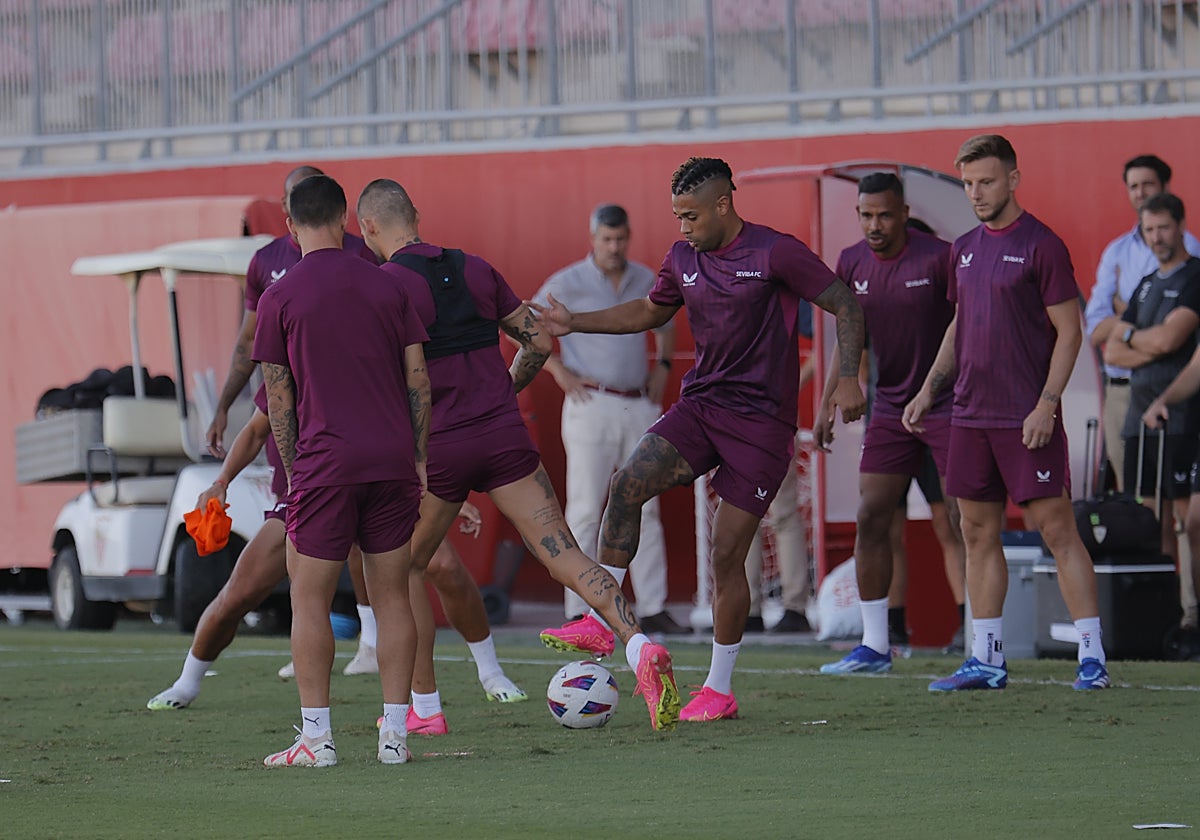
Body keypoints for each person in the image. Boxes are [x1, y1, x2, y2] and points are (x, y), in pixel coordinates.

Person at [535, 156, 866, 721]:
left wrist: (849, 377)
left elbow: (846, 304)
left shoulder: (775, 251)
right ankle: (598, 623)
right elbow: (648, 309)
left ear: (722, 204)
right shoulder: (681, 257)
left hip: (762, 427)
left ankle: (718, 688)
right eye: (674, 216)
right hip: (702, 407)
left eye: (690, 215)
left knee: (725, 554)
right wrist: (576, 323)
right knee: (627, 485)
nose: (682, 227)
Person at [355, 178, 682, 732]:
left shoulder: (383, 286)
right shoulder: (477, 268)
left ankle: (425, 710)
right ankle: (639, 646)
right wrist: (506, 389)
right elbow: (540, 342)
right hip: (504, 436)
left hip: (441, 446)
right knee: (566, 552)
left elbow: (393, 381)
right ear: (416, 212)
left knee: (403, 567)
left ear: (367, 229)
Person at [144, 386, 505, 714]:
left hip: (374, 496)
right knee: (240, 593)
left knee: (440, 565)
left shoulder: (375, 362)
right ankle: (188, 681)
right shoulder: (295, 361)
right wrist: (221, 481)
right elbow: (256, 426)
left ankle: (468, 683)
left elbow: (412, 429)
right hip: (309, 498)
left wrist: (446, 498)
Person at [904, 134, 1110, 691]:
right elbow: (958, 324)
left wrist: (1047, 404)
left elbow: (1071, 333)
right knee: (974, 531)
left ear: (1014, 179)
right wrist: (929, 389)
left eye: (986, 181)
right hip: (968, 415)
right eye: (968, 183)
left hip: (1026, 416)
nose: (976, 193)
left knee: (1057, 531)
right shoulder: (963, 247)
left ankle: (1092, 657)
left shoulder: (1043, 245)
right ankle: (987, 658)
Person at [254, 174, 431, 767]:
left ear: (289, 221)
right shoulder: (388, 286)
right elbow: (418, 381)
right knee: (393, 598)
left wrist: (296, 468)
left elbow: (279, 399)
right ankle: (396, 737)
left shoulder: (278, 297)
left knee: (308, 599)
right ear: (345, 219)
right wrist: (420, 457)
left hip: (325, 465)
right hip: (391, 461)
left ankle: (318, 739)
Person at [207, 164, 382, 679]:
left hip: (341, 442)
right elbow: (257, 364)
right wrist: (224, 406)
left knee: (376, 567)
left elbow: (401, 359)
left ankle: (357, 702)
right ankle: (406, 714)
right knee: (277, 579)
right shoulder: (268, 268)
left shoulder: (359, 262)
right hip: (331, 448)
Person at [814, 172, 962, 675]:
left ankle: (975, 634)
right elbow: (848, 337)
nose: (874, 224)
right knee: (873, 518)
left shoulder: (938, 258)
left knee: (956, 523)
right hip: (888, 412)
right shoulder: (851, 262)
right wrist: (827, 403)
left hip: (946, 409)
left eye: (883, 214)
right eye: (865, 215)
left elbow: (969, 326)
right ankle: (879, 642)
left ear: (902, 213)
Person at [534, 203, 687, 635]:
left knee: (647, 505)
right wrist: (559, 372)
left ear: (629, 237)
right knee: (585, 506)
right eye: (607, 239)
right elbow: (525, 327)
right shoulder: (567, 282)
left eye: (621, 239)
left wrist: (663, 366)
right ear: (593, 238)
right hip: (590, 402)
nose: (614, 247)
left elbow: (664, 322)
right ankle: (579, 607)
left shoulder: (643, 276)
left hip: (637, 402)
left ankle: (653, 605)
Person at [1084, 155, 1200, 491]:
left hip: (1180, 396)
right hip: (1125, 393)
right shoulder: (1117, 251)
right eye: (1133, 186)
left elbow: (1171, 339)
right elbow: (1099, 332)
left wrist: (1127, 329)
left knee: (1183, 510)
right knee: (1136, 502)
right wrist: (1142, 333)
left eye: (1147, 184)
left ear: (1164, 186)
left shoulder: (1190, 253)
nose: (1140, 192)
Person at [1103, 193, 1200, 567]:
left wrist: (1134, 338)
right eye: (1149, 230)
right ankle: (1163, 613)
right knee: (1147, 519)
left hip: (1182, 417)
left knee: (1185, 518)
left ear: (1180, 227)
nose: (1156, 237)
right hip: (1138, 420)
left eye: (1163, 228)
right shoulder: (1145, 284)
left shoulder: (1194, 276)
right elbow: (1112, 351)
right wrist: (1141, 341)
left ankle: (1190, 611)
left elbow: (1170, 339)